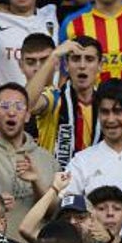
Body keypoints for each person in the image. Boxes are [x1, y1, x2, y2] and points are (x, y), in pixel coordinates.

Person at [0, 83, 60, 242]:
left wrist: (37, 182)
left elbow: (56, 213)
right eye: (4, 106)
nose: (11, 112)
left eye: (19, 106)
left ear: (28, 115)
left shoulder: (47, 159)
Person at [26, 36, 103, 170]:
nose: (82, 65)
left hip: (93, 183)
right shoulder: (54, 97)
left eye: (89, 59)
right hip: (53, 183)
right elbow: (25, 105)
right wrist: (53, 56)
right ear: (66, 65)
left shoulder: (106, 103)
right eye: (75, 59)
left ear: (100, 65)